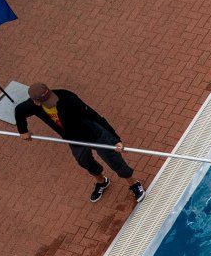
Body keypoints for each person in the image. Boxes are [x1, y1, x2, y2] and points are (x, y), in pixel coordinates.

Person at [15, 83, 145, 203]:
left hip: (93, 133)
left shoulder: (67, 97)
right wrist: (23, 130)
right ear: (36, 102)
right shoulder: (31, 106)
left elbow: (94, 116)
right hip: (73, 139)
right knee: (84, 161)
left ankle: (134, 183)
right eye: (48, 102)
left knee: (113, 159)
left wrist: (116, 139)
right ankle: (102, 182)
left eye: (51, 98)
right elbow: (19, 111)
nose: (52, 102)